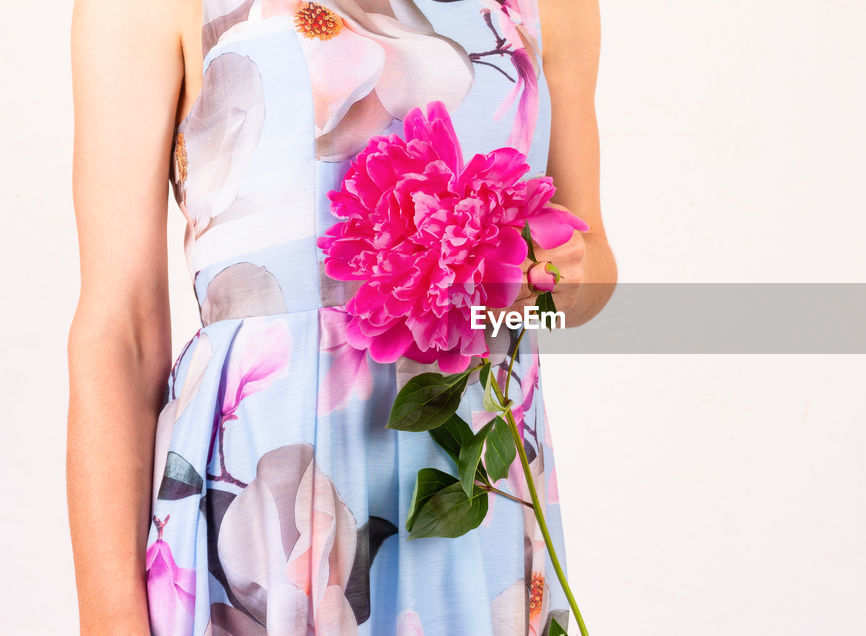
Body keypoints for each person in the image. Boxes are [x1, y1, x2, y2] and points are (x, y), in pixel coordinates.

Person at [67, 0, 615, 632]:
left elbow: (588, 266)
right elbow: (121, 330)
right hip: (266, 511)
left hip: (474, 488)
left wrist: (562, 284)